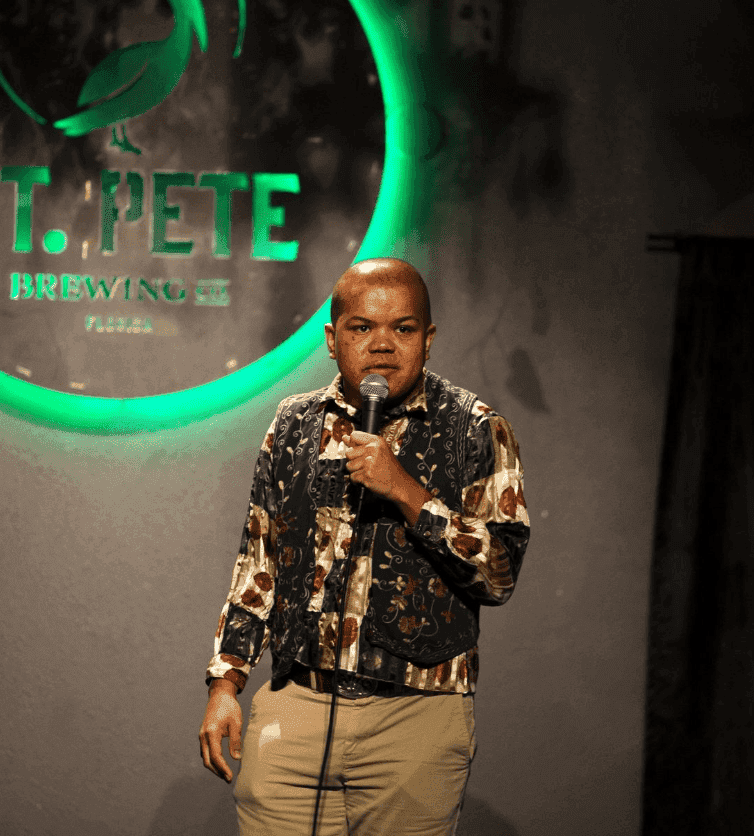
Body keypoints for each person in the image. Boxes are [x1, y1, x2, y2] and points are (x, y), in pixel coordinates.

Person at [199, 257, 529, 836]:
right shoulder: (294, 423)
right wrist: (227, 684)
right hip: (297, 701)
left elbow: (499, 575)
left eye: (403, 329)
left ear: (428, 340)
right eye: (361, 328)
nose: (382, 345)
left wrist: (406, 491)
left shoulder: (477, 427)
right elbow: (259, 562)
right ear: (332, 339)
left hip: (416, 713)